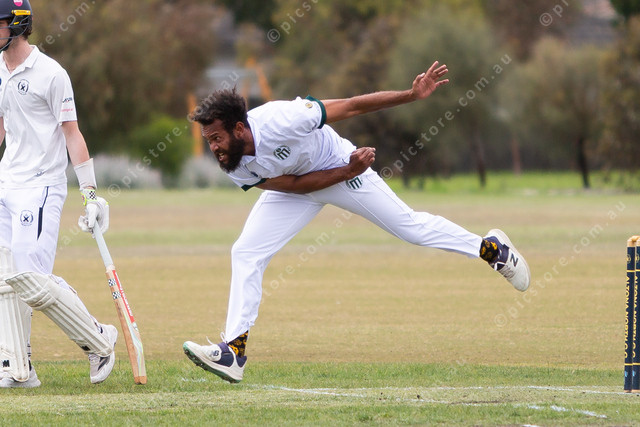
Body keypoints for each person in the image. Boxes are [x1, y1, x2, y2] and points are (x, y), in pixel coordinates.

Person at [183, 61, 530, 383]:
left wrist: (411, 95)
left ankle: (493, 250)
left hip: (342, 164)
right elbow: (294, 185)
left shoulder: (283, 119)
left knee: (410, 228)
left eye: (216, 138)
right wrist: (345, 172)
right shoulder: (234, 163)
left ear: (240, 128)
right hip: (312, 182)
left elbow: (351, 106)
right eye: (209, 140)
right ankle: (234, 352)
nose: (214, 148)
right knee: (246, 252)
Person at [0, 1, 117, 388]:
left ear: (18, 25)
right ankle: (18, 369)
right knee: (5, 278)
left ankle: (98, 341)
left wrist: (90, 194)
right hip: (6, 182)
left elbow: (72, 133)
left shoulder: (51, 74)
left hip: (41, 185)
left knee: (31, 278)